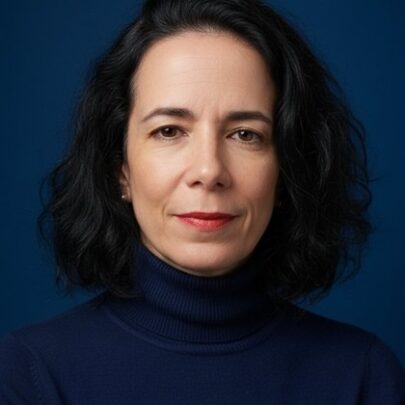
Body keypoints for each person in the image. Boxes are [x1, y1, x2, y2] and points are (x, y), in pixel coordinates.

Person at [1, 0, 404, 403]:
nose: (209, 171)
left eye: (245, 134)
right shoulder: (30, 375)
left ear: (287, 172)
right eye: (169, 131)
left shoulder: (364, 377)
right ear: (120, 171)